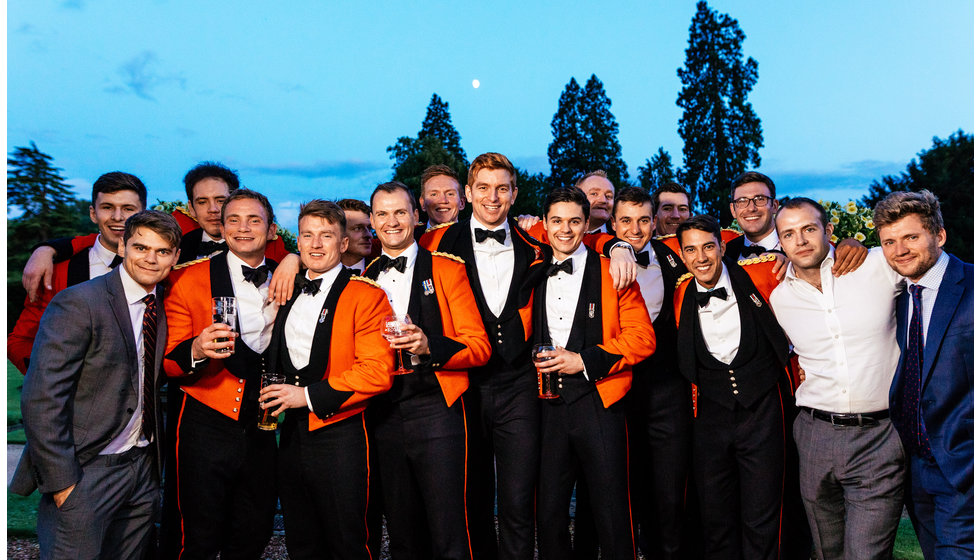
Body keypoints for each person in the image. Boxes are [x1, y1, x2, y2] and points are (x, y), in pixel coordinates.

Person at [9, 210, 182, 559]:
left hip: (142, 467)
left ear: (175, 257)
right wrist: (62, 482)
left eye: (162, 251)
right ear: (122, 246)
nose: (151, 258)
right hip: (86, 470)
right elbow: (43, 398)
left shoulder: (163, 304)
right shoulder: (78, 302)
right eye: (141, 247)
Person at [419, 152, 549, 559]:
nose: (493, 197)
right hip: (463, 385)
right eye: (484, 188)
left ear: (514, 194)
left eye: (502, 188)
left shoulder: (537, 245)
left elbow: (587, 237)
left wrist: (618, 245)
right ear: (468, 194)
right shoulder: (434, 244)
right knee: (470, 495)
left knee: (517, 499)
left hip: (519, 385)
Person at [769, 198, 907, 560]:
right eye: (789, 234)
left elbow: (930, 276)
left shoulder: (875, 264)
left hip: (879, 435)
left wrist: (862, 243)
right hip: (814, 434)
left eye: (809, 229)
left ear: (829, 230)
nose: (800, 241)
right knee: (827, 551)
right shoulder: (779, 298)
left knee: (865, 553)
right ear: (779, 242)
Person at [258, 199, 395, 560]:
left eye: (326, 236)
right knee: (301, 541)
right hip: (288, 435)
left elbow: (378, 372)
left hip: (343, 434)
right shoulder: (282, 288)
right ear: (297, 242)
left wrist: (306, 397)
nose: (316, 245)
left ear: (343, 243)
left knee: (349, 541)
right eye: (308, 236)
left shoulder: (368, 295)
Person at [364, 182, 490, 559]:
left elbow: (479, 346)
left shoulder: (448, 269)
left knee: (450, 526)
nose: (392, 221)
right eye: (382, 214)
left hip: (438, 408)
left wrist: (430, 346)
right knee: (402, 528)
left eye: (400, 212)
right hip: (382, 411)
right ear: (371, 221)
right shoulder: (362, 277)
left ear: (417, 216)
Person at [533, 187, 655, 560]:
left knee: (612, 511)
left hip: (600, 402)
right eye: (557, 221)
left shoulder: (613, 270)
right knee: (549, 512)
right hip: (543, 406)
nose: (565, 229)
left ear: (588, 224)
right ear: (545, 225)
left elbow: (643, 339)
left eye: (574, 221)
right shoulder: (532, 268)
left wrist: (584, 361)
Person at [163, 188, 282, 559]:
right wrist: (197, 349)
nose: (243, 228)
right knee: (195, 534)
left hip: (264, 427)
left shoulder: (289, 277)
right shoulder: (186, 279)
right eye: (233, 219)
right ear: (222, 226)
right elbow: (165, 360)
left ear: (272, 228)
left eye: (253, 220)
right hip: (204, 422)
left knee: (254, 529)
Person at [673, 214, 789, 560]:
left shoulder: (763, 273)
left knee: (763, 512)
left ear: (723, 246)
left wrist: (848, 245)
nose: (701, 257)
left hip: (764, 410)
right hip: (710, 416)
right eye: (691, 250)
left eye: (709, 246)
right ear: (681, 254)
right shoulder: (681, 292)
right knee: (716, 515)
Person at [874, 190, 974, 560]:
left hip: (964, 468)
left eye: (911, 237)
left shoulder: (973, 287)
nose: (899, 250)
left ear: (940, 235)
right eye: (889, 241)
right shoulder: (898, 297)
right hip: (915, 471)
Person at [610, 186, 694, 559]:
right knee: (627, 485)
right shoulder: (597, 258)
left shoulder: (674, 259)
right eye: (625, 220)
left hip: (668, 392)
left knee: (671, 486)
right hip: (618, 389)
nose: (635, 228)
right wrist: (615, 248)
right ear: (613, 223)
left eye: (643, 220)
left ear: (654, 221)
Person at [8, 171, 147, 374]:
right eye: (107, 207)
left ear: (143, 214)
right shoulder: (57, 273)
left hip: (144, 400)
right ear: (93, 213)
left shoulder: (161, 268)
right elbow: (20, 340)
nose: (118, 217)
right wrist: (47, 375)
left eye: (128, 208)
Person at [419, 163, 465, 231]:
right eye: (434, 194)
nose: (443, 200)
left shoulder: (474, 237)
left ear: (462, 202)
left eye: (450, 194)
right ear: (423, 203)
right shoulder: (410, 237)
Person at [337, 198, 377, 273]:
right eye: (357, 228)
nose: (369, 235)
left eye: (369, 228)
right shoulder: (316, 275)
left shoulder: (383, 272)